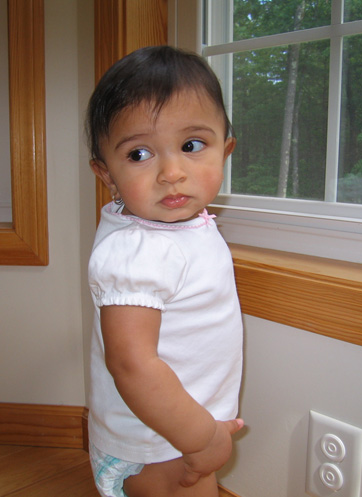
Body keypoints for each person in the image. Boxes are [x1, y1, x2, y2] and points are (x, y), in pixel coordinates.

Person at [86, 45, 243, 497]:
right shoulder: (140, 248)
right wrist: (203, 437)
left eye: (192, 146)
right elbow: (131, 363)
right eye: (139, 155)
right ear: (106, 174)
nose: (172, 172)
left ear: (225, 150)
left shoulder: (183, 226)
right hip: (164, 440)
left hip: (175, 428)